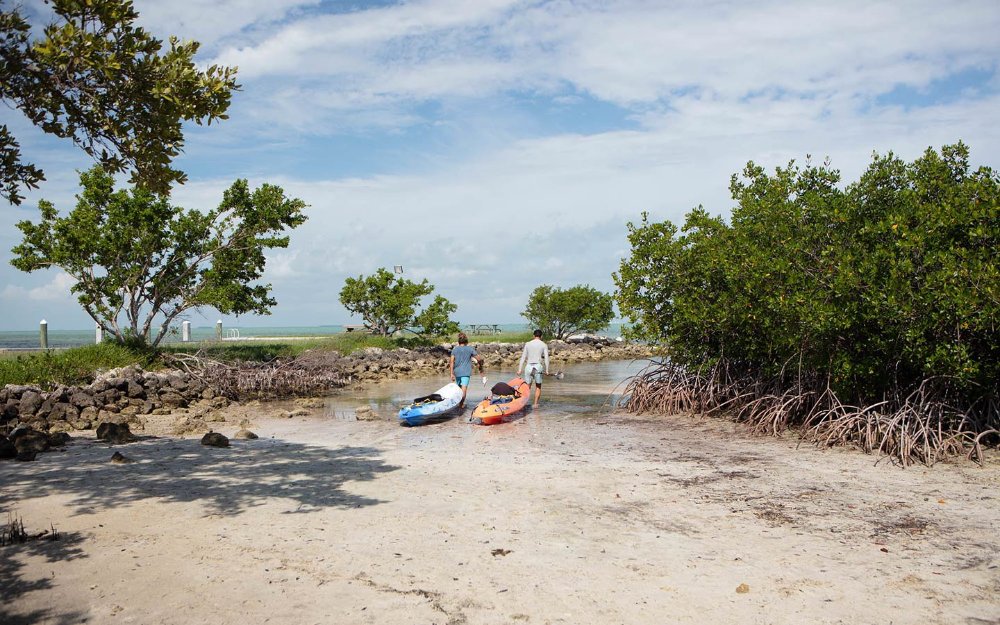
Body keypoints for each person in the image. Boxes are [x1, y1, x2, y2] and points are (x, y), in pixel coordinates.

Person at [518, 329, 549, 407]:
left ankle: (523, 404)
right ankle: (535, 404)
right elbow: (546, 359)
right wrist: (547, 370)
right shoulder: (543, 344)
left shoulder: (528, 344)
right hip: (538, 367)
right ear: (541, 336)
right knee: (538, 386)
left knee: (527, 387)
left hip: (528, 366)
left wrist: (519, 369)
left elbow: (523, 357)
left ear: (533, 336)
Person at [450, 332, 482, 407]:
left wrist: (451, 373)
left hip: (457, 372)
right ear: (466, 342)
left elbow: (451, 362)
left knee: (459, 389)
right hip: (466, 372)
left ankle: (458, 404)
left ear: (459, 342)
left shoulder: (455, 349)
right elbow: (479, 358)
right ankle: (461, 405)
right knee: (464, 389)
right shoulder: (470, 349)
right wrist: (480, 364)